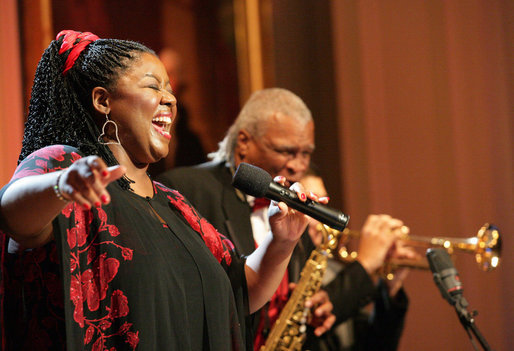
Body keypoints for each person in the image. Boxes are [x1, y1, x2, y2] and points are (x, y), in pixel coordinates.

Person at [0, 31, 317, 351]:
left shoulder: (176, 206)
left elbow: (240, 292)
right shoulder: (65, 167)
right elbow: (13, 217)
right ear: (102, 100)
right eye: (153, 86)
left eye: (169, 89)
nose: (171, 99)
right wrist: (61, 184)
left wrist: (282, 241)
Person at [156, 88, 413, 351]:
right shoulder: (183, 189)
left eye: (305, 153)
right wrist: (364, 267)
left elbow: (305, 312)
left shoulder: (293, 203)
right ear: (244, 142)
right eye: (287, 151)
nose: (298, 166)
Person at [301, 168, 416, 351]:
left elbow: (373, 347)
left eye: (323, 204)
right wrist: (365, 264)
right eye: (310, 204)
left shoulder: (334, 271)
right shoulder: (281, 270)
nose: (323, 217)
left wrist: (390, 287)